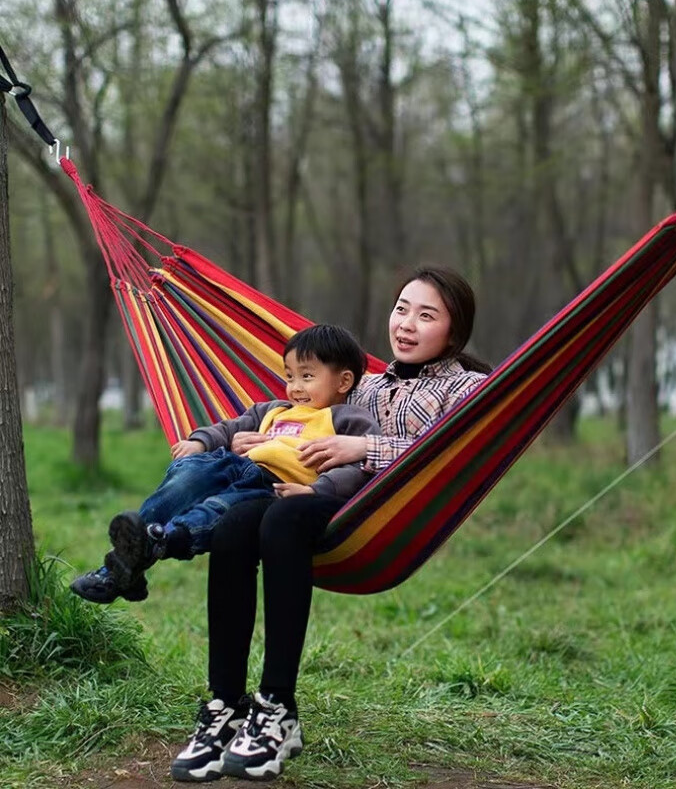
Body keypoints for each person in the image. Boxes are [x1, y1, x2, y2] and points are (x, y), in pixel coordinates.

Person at [170, 265, 491, 783]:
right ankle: (225, 705)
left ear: (452, 333)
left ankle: (276, 705)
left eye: (425, 315)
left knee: (283, 519)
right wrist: (260, 441)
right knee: (233, 526)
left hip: (373, 515)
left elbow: (457, 454)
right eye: (401, 309)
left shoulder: (471, 389)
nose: (406, 324)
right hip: (303, 493)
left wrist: (365, 447)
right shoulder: (358, 385)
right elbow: (299, 418)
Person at [70, 324, 380, 605]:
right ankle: (122, 565)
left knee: (219, 509)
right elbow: (229, 428)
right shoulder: (273, 410)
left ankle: (160, 543)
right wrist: (200, 442)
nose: (295, 386)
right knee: (185, 479)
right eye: (289, 376)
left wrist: (316, 490)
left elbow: (358, 469)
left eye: (307, 376)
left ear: (344, 381)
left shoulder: (348, 420)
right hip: (229, 464)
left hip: (268, 484)